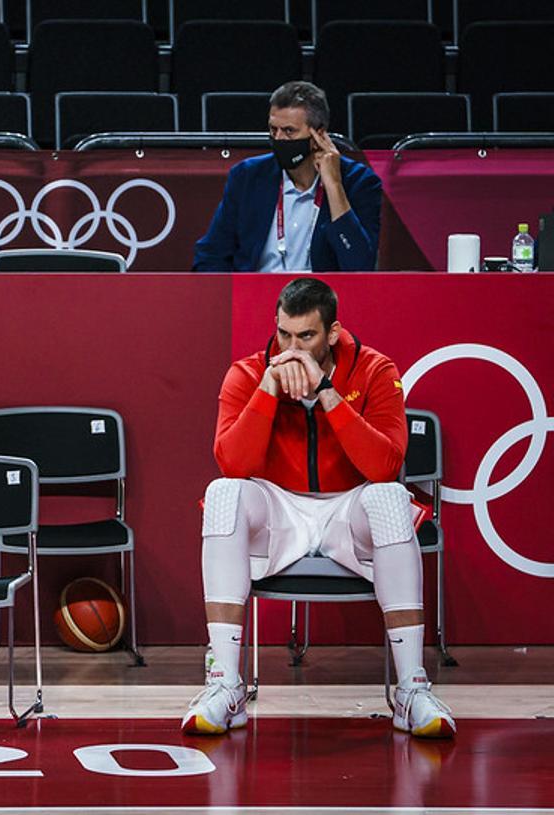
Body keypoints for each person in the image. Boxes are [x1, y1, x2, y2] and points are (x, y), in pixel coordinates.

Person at [184, 277, 455, 738]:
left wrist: (328, 393)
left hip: (347, 509)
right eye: (284, 335)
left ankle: (411, 688)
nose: (292, 348)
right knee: (224, 493)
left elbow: (386, 465)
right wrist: (269, 389)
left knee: (390, 497)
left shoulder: (374, 369)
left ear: (331, 333)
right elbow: (233, 463)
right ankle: (226, 684)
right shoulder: (248, 373)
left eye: (306, 336)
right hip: (279, 508)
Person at [193, 81, 382, 273]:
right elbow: (210, 256)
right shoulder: (247, 177)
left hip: (324, 299)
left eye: (289, 131)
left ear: (319, 133)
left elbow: (359, 265)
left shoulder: (359, 182)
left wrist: (334, 185)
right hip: (256, 296)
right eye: (274, 130)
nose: (279, 139)